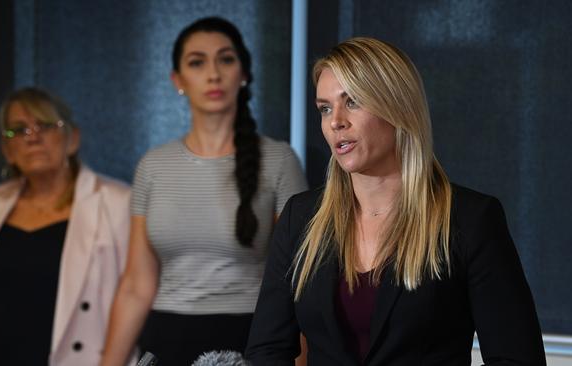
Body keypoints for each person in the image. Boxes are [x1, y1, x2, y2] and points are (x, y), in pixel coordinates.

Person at [245, 37, 546, 365]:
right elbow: (267, 350)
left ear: (397, 107)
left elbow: (517, 359)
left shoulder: (470, 220)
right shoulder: (300, 219)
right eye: (325, 108)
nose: (336, 122)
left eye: (353, 102)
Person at [100, 17, 308, 366]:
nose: (213, 73)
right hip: (164, 342)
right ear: (177, 80)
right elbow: (136, 283)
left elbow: (301, 283)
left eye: (225, 59)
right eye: (197, 62)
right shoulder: (153, 165)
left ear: (243, 73)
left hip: (250, 341)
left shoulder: (279, 160)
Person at [0, 87, 134, 366]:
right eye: (18, 130)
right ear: (7, 151)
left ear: (72, 139)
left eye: (44, 125)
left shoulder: (117, 202)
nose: (33, 137)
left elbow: (135, 303)